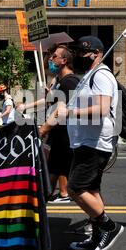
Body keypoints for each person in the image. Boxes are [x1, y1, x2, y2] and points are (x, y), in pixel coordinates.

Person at [59, 36, 123, 250]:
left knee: (76, 188)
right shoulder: (89, 76)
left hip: (94, 143)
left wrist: (70, 112)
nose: (77, 56)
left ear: (95, 53)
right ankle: (97, 237)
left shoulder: (102, 76)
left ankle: (108, 226)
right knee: (92, 190)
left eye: (81, 52)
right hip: (84, 142)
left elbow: (102, 109)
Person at [38, 45, 80, 203]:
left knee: (82, 189)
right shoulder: (65, 82)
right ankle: (39, 216)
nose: (50, 59)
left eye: (54, 56)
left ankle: (97, 219)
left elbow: (59, 113)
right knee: (51, 176)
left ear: (64, 60)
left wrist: (42, 130)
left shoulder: (69, 82)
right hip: (61, 140)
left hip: (66, 140)